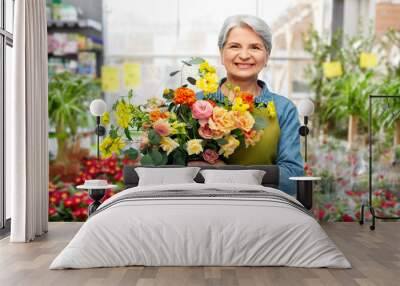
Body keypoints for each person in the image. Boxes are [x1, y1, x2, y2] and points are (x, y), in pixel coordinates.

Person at [197, 14, 304, 196]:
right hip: (202, 206)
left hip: (264, 208)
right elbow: (171, 170)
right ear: (222, 54)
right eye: (234, 46)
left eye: (255, 47)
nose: (245, 55)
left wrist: (226, 174)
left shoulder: (283, 109)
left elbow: (292, 178)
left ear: (267, 56)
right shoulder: (196, 105)